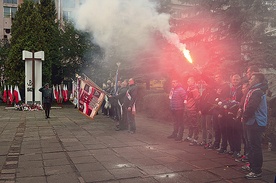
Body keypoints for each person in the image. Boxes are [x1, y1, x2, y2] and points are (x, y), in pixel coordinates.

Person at [241, 72, 268, 179]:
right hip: (251, 122)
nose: (249, 80)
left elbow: (252, 107)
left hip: (256, 122)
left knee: (255, 146)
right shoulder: (253, 91)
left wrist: (245, 116)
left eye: (252, 79)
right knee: (251, 146)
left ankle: (256, 170)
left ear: (257, 81)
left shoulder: (257, 92)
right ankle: (252, 166)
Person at [184, 77, 201, 145]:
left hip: (192, 109)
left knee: (194, 124)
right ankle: (190, 136)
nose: (187, 82)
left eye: (189, 81)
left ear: (193, 82)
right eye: (187, 81)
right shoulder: (189, 89)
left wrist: (197, 109)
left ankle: (195, 139)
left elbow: (197, 100)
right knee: (190, 123)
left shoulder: (195, 90)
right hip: (188, 108)